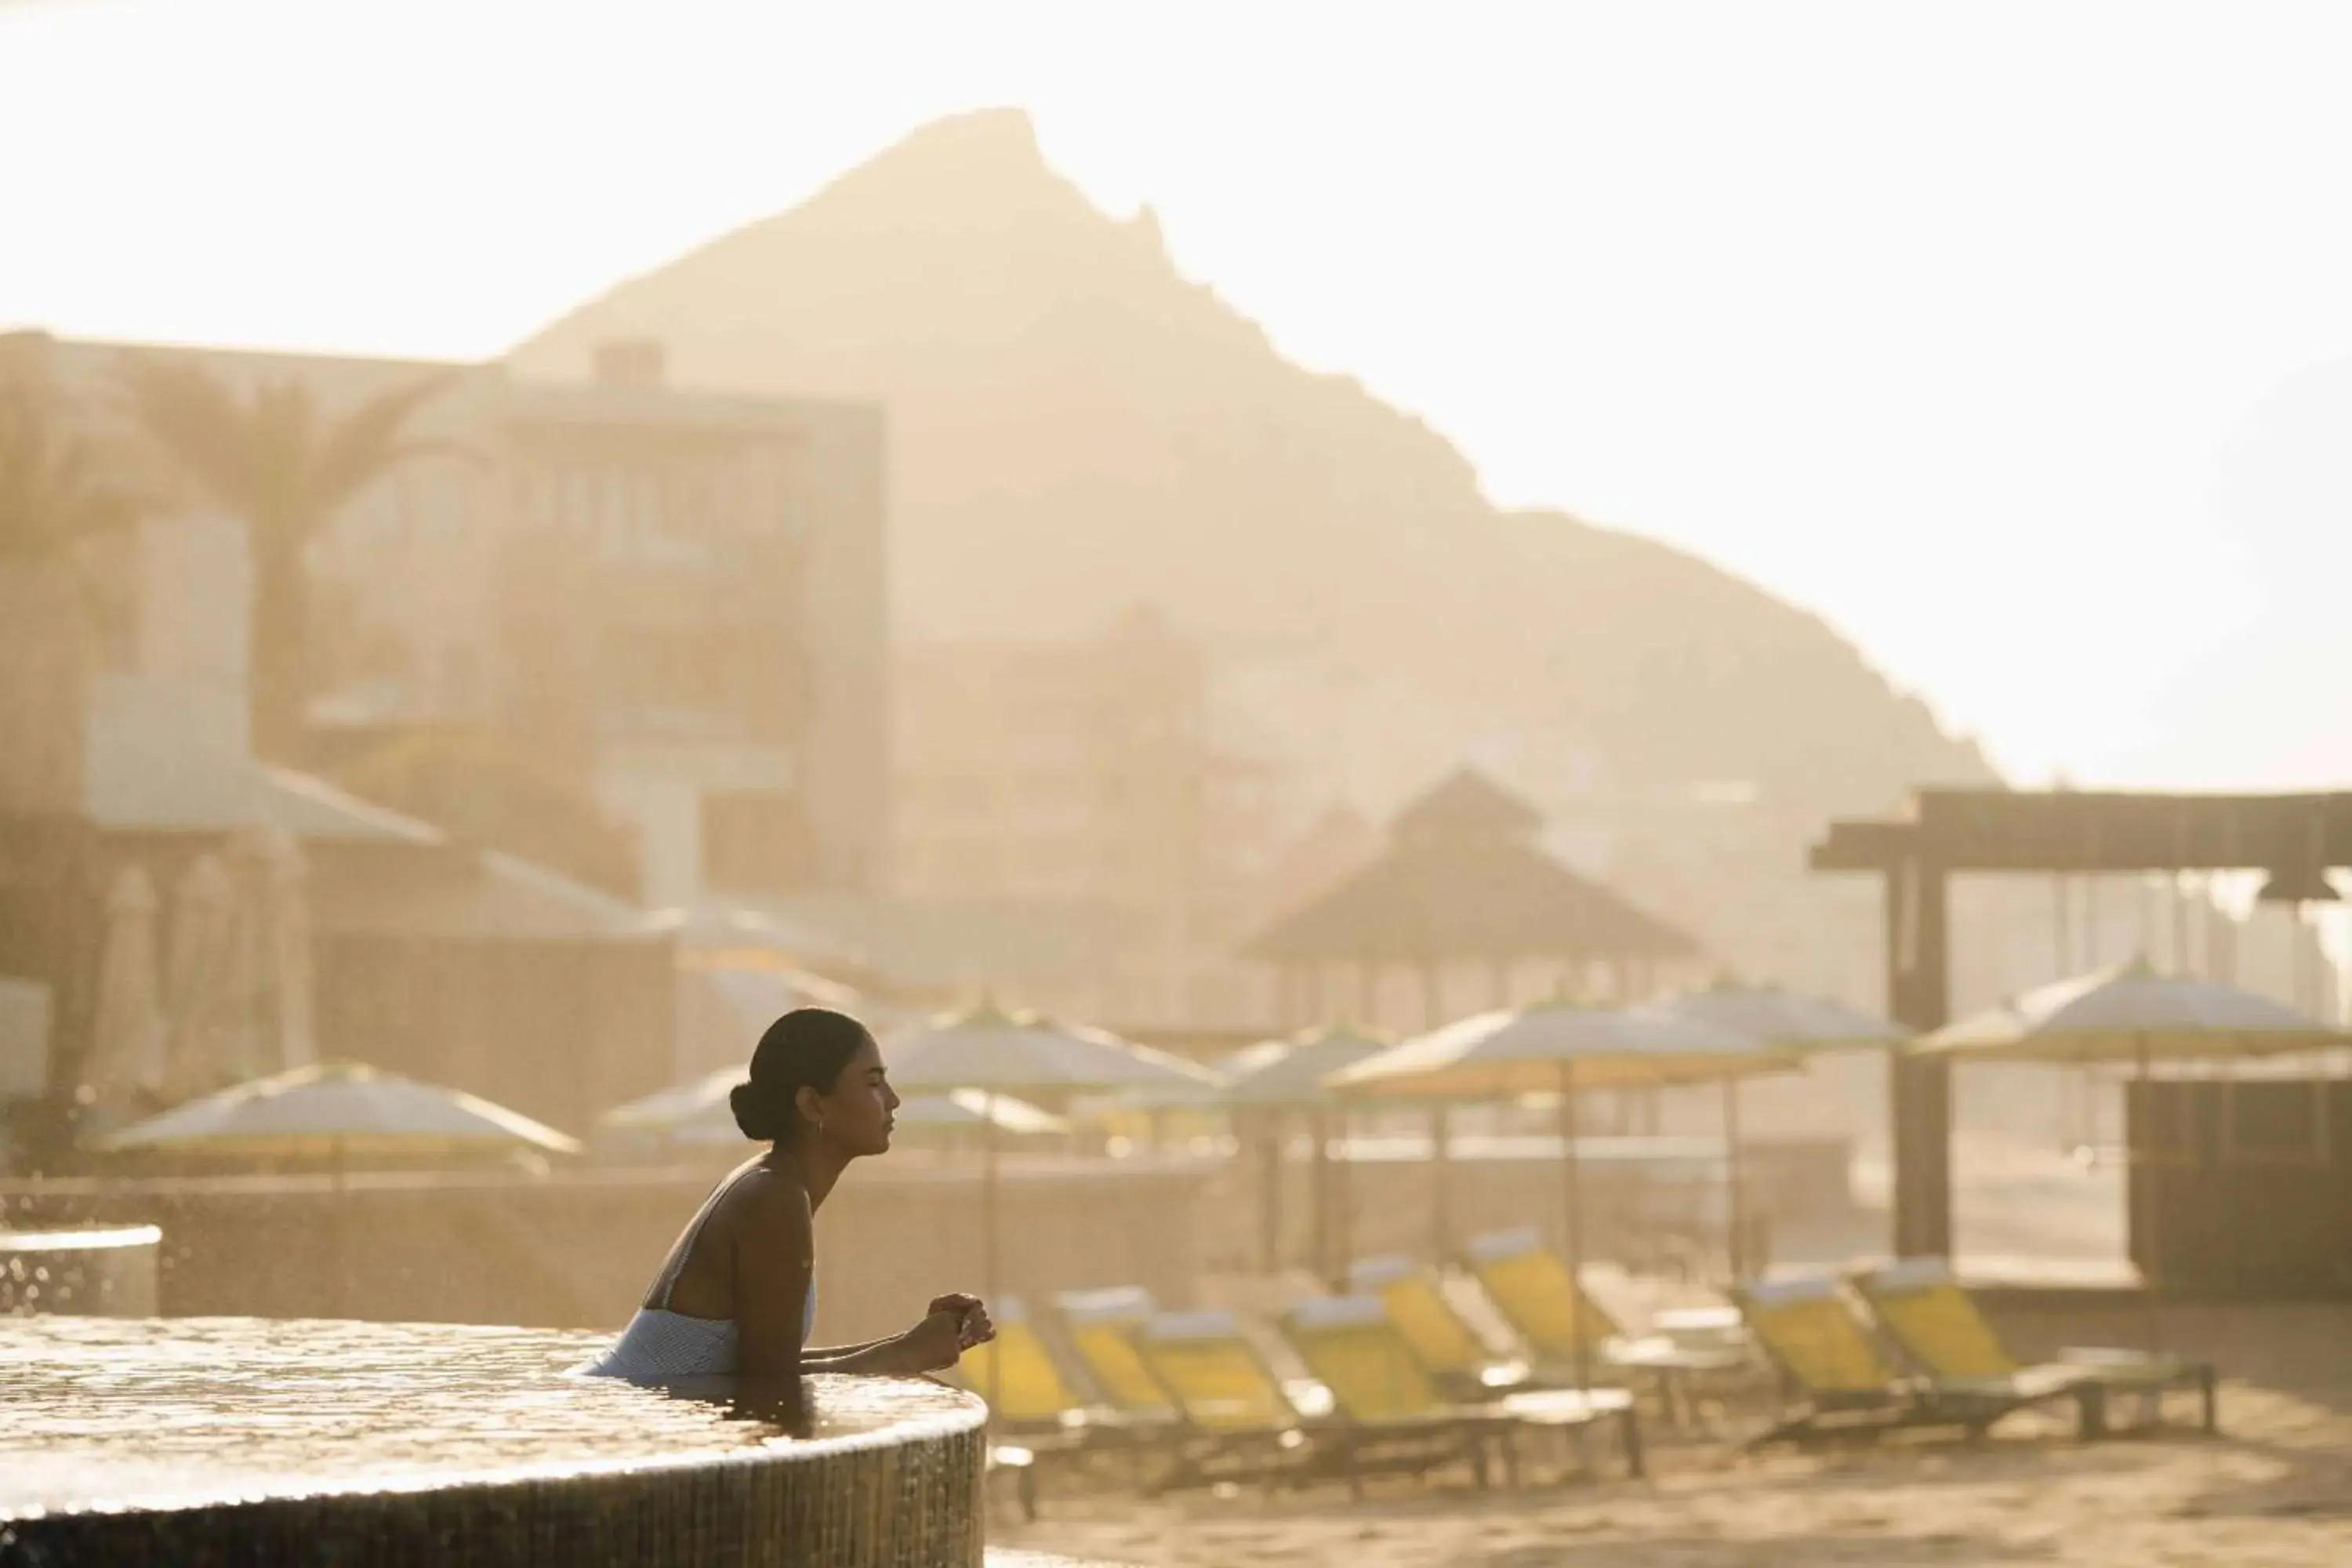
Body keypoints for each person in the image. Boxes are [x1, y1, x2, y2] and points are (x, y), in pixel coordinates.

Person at [586, 1007, 993, 1392]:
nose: (892, 1099)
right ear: (813, 1104)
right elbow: (770, 1389)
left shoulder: (772, 1183)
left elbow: (762, 1367)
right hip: (614, 1419)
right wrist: (906, 1355)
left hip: (621, 1406)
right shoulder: (774, 1199)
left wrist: (911, 1342)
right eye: (872, 1082)